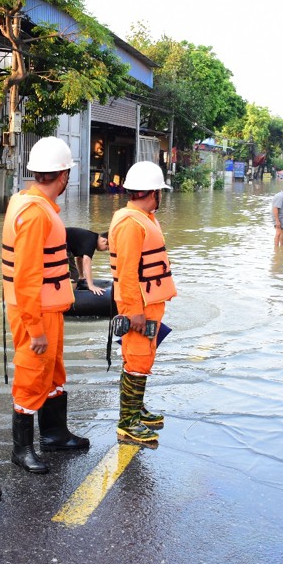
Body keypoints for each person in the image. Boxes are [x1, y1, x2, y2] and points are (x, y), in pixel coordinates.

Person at [1, 136, 88, 475]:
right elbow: (25, 277)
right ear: (64, 175)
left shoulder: (29, 202)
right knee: (31, 374)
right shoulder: (36, 214)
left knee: (52, 373)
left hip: (46, 308)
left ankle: (54, 434)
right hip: (34, 312)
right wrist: (34, 327)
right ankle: (21, 450)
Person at [109, 161, 177, 447]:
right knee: (137, 359)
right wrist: (133, 311)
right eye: (160, 191)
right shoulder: (130, 223)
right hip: (139, 305)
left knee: (144, 357)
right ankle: (127, 423)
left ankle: (136, 409)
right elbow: (126, 272)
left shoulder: (144, 217)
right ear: (153, 192)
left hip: (151, 301)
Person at [65, 227, 109, 295]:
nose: (105, 250)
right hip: (61, 246)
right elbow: (86, 261)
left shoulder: (90, 237)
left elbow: (79, 258)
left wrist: (81, 276)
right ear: (104, 241)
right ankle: (71, 300)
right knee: (73, 275)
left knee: (74, 274)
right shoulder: (92, 241)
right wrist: (91, 286)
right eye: (106, 248)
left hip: (61, 244)